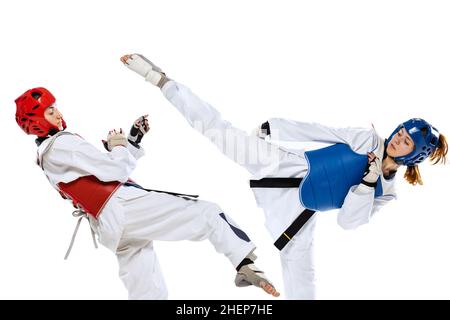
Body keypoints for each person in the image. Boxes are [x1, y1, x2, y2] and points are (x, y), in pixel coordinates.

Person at [120, 53, 448, 299]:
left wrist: (366, 184)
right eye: (402, 132)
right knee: (219, 132)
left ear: (413, 156)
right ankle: (162, 80)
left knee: (304, 284)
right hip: (282, 165)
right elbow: (322, 132)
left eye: (406, 141)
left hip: (300, 214)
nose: (398, 139)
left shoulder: (385, 192)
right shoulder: (367, 140)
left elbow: (348, 222)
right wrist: (274, 128)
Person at [14, 86, 280, 299]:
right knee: (208, 213)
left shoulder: (47, 154)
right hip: (122, 207)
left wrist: (130, 142)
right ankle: (244, 263)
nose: (58, 113)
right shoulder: (62, 144)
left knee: (148, 293)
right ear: (36, 120)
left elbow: (107, 171)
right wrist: (118, 147)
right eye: (50, 111)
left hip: (111, 227)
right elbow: (115, 171)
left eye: (55, 107)